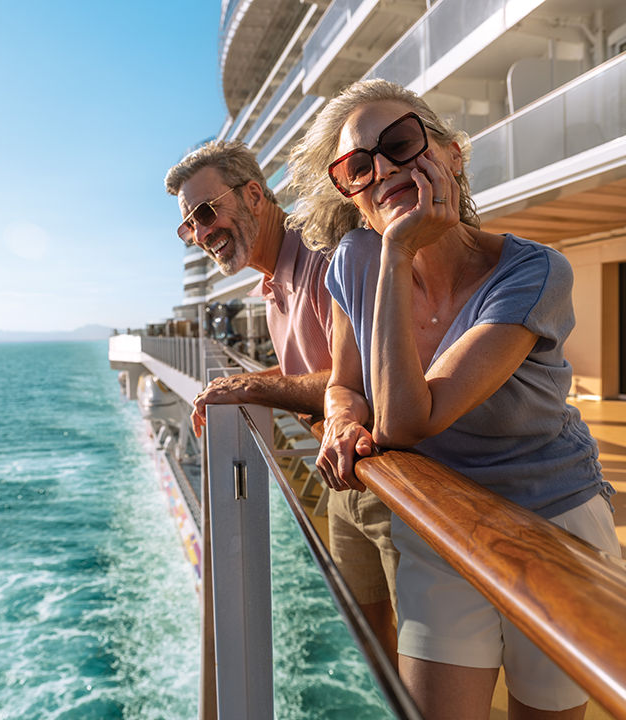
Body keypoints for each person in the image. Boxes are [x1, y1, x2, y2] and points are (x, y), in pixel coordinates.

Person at [287, 78, 621, 720]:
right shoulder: (352, 258)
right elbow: (345, 383)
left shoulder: (534, 272)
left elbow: (411, 421)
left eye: (402, 142)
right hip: (437, 515)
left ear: (453, 155)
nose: (384, 168)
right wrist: (340, 418)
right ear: (353, 196)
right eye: (358, 166)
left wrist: (397, 250)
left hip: (553, 523)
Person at [165, 140, 400, 662]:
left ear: (253, 194)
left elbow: (360, 383)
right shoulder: (273, 284)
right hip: (340, 475)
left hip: (395, 480)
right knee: (369, 647)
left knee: (421, 659)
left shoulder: (324, 256)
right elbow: (309, 373)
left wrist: (253, 387)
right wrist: (239, 386)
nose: (202, 234)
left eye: (206, 212)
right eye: (189, 226)